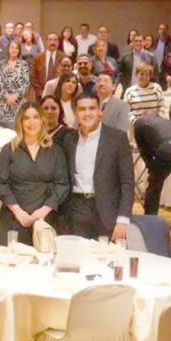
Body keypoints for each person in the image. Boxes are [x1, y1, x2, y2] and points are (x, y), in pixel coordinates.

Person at [0, 102, 70, 246]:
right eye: (26, 118)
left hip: (45, 220)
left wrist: (44, 210)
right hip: (14, 220)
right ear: (20, 122)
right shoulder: (9, 150)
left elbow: (62, 184)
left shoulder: (55, 150)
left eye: (36, 117)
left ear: (42, 121)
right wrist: (17, 211)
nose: (31, 122)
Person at [59, 94, 133, 240]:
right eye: (82, 109)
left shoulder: (117, 138)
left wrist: (123, 219)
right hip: (76, 210)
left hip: (107, 211)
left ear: (100, 111)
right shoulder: (68, 140)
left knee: (107, 254)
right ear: (75, 113)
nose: (87, 113)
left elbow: (127, 182)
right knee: (79, 253)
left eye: (92, 108)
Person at [135, 112, 171, 220]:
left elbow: (143, 148)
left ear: (142, 115)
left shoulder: (140, 122)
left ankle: (150, 218)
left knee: (154, 186)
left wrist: (150, 165)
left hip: (166, 151)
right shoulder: (168, 121)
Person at [0, 40, 29, 123]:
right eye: (12, 48)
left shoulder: (24, 64)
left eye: (16, 48)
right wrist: (6, 96)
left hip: (19, 101)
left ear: (19, 50)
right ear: (8, 49)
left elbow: (26, 83)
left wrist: (16, 96)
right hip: (5, 101)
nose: (14, 50)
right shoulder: (1, 64)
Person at [30, 32, 63, 101]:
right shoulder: (37, 57)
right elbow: (32, 76)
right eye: (50, 40)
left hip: (59, 95)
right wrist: (40, 92)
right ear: (46, 42)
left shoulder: (64, 57)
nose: (52, 42)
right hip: (40, 95)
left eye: (55, 40)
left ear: (58, 42)